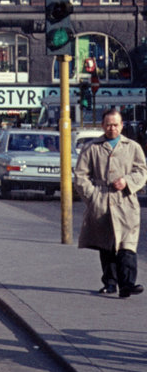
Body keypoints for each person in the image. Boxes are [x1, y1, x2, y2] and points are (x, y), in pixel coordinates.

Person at [74, 108, 147, 298]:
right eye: (108, 125)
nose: (112, 128)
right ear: (102, 125)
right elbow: (80, 176)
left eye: (115, 125)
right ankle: (110, 282)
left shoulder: (132, 147)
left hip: (125, 202)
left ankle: (127, 284)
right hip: (101, 201)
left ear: (122, 125)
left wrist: (128, 182)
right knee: (107, 245)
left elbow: (141, 171)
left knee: (127, 245)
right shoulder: (91, 147)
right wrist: (93, 196)